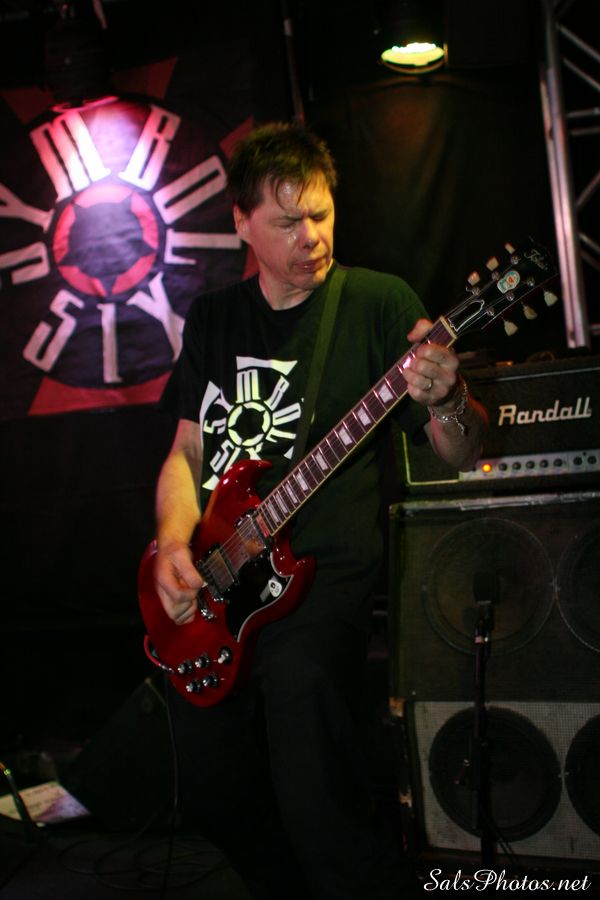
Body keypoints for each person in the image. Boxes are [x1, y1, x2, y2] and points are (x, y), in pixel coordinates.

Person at [151, 122, 487, 900]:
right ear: (241, 223)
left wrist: (449, 399)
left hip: (319, 585)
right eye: (286, 222)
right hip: (215, 583)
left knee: (318, 794)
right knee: (212, 794)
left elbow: (461, 451)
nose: (311, 237)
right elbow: (185, 454)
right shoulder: (213, 319)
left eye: (321, 214)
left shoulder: (377, 303)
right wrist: (171, 544)